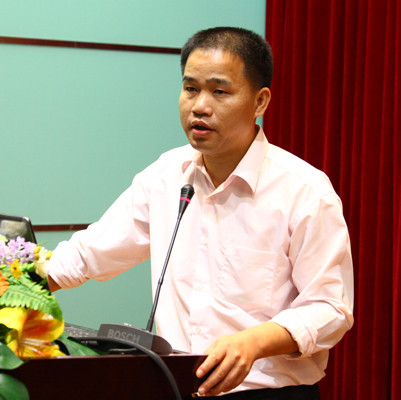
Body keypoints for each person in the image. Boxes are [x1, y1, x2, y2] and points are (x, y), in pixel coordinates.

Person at [47, 27, 354, 398]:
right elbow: (86, 255)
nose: (200, 106)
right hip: (177, 386)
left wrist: (255, 341)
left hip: (266, 392)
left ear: (260, 102)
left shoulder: (304, 191)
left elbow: (330, 308)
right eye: (190, 88)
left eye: (219, 91)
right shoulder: (166, 174)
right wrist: (4, 284)